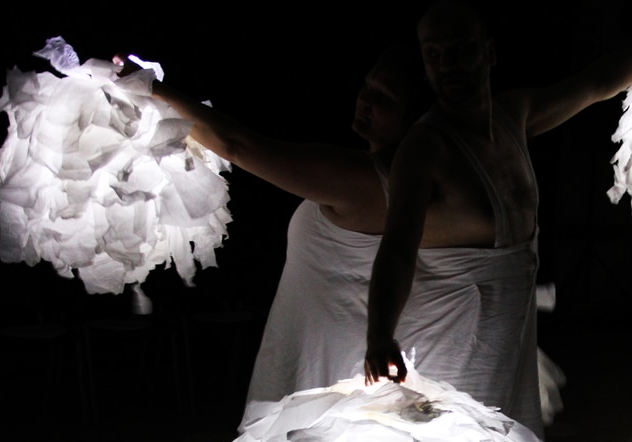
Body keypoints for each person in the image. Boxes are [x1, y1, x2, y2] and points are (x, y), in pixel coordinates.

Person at [364, 2, 632, 435]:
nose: (447, 65)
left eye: (460, 50)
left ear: (489, 53)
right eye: (434, 54)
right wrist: (380, 335)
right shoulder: (424, 150)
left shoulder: (514, 115)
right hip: (451, 336)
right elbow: (397, 249)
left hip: (506, 332)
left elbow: (597, 83)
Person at [138, 46, 430, 408]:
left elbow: (238, 146)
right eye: (367, 86)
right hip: (331, 354)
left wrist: (152, 88)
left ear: (415, 118)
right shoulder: (391, 180)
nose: (365, 99)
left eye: (384, 97)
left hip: (341, 369)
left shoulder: (368, 179)